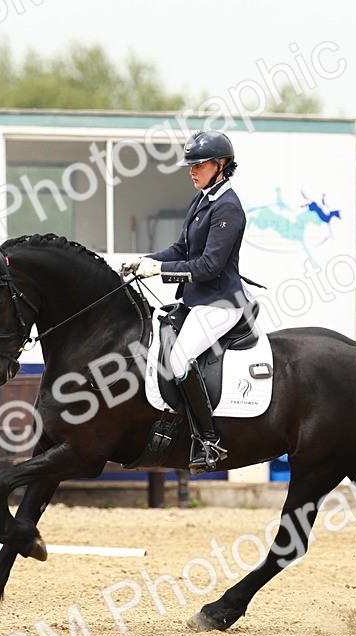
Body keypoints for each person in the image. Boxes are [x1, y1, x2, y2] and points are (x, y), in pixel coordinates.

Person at [121, 129, 248, 473]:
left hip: (221, 302)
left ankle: (209, 440)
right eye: (190, 165)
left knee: (179, 360)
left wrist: (160, 270)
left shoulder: (228, 207)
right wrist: (144, 261)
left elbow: (208, 266)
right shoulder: (202, 199)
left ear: (221, 165)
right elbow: (181, 249)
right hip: (197, 300)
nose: (192, 171)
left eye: (199, 165)